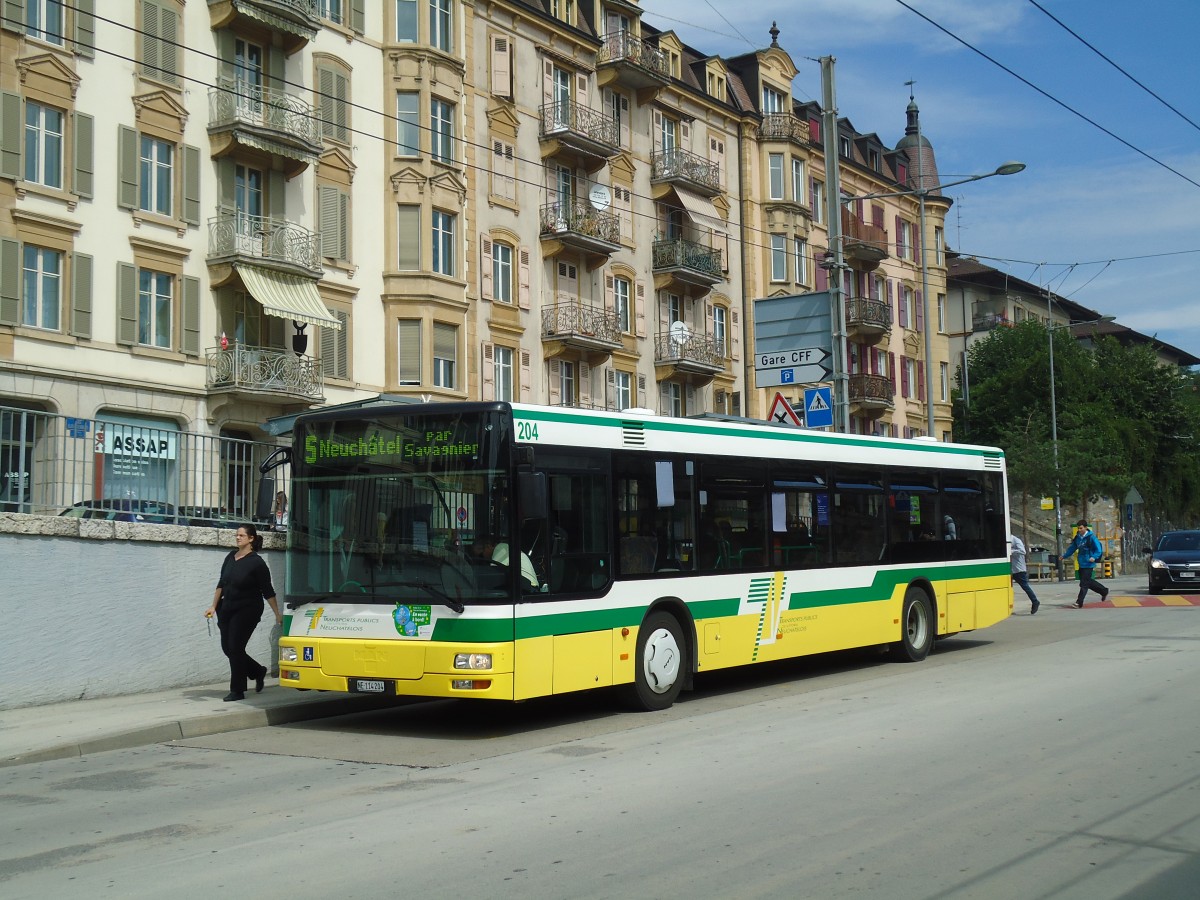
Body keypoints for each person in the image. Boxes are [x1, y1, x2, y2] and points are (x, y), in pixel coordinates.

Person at [205, 524, 283, 701]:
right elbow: (221, 583)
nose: (238, 538)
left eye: (241, 535)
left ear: (251, 539)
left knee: (235, 647)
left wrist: (277, 614)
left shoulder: (257, 563)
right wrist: (212, 606)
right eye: (237, 535)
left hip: (248, 609)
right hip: (227, 608)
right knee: (228, 648)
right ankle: (257, 671)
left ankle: (238, 690)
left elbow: (268, 591)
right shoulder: (230, 557)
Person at [1061, 519, 1110, 608]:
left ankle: (1079, 602)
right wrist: (1064, 556)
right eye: (1078, 529)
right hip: (1081, 562)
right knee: (1087, 582)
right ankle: (1104, 591)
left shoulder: (1091, 537)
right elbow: (1072, 548)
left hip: (1089, 563)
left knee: (1084, 584)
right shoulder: (1078, 538)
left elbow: (1098, 550)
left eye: (1081, 528)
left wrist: (1093, 557)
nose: (1079, 530)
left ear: (1086, 528)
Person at [1010, 534, 1040, 614]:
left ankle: (1035, 601)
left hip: (1019, 569)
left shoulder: (1016, 540)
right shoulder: (1009, 541)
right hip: (1010, 569)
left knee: (1025, 586)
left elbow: (1023, 551)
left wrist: (1011, 551)